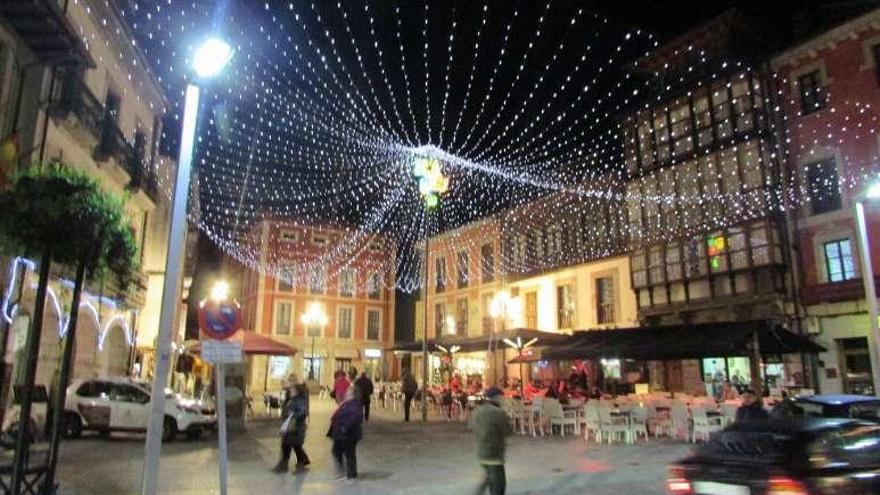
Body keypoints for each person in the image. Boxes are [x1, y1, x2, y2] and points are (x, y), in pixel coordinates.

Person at [470, 387, 513, 495]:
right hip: (495, 454)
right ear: (497, 398)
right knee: (498, 485)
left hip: (481, 452)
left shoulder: (477, 411)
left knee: (489, 478)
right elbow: (509, 432)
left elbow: (471, 427)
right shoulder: (499, 413)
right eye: (501, 397)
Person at [273, 378, 310, 473]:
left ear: (297, 391)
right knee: (286, 445)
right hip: (289, 426)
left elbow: (302, 413)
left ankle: (301, 462)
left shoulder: (300, 400)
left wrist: (291, 414)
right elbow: (286, 411)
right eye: (290, 390)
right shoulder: (291, 399)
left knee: (295, 446)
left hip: (297, 427)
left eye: (293, 390)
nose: (291, 391)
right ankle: (283, 465)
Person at [329, 386, 364, 481]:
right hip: (341, 433)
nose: (346, 393)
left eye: (349, 392)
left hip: (349, 434)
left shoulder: (355, 404)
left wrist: (345, 426)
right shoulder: (346, 403)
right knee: (336, 451)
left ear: (354, 395)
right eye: (347, 392)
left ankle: (352, 474)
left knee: (350, 454)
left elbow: (356, 417)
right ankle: (346, 472)